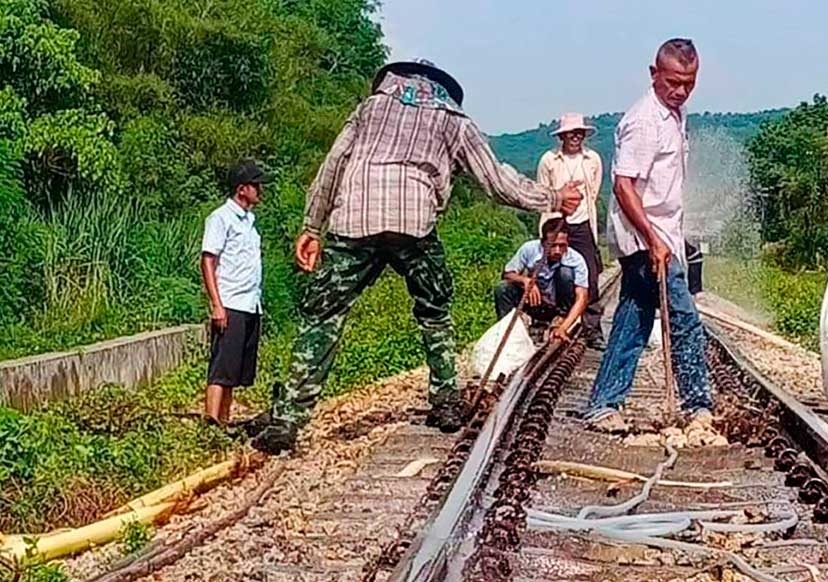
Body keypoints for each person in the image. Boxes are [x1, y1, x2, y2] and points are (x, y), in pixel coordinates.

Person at [248, 59, 583, 454]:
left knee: (324, 315)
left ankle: (287, 420)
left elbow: (333, 165)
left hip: (354, 218)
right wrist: (553, 198)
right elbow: (496, 181)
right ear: (442, 87)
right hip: (415, 223)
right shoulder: (454, 119)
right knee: (434, 311)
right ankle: (445, 402)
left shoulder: (370, 108)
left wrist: (311, 226)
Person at [585, 39, 713, 433]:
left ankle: (603, 403)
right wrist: (653, 240)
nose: (681, 91)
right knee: (684, 318)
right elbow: (623, 186)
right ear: (654, 74)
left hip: (662, 236)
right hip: (646, 239)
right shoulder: (644, 121)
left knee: (633, 317)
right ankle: (698, 405)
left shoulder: (675, 114)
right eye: (673, 82)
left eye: (689, 83)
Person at [200, 160, 268, 426]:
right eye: (255, 185)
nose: (260, 190)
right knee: (221, 368)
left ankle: (224, 422)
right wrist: (217, 304)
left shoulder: (250, 221)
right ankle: (211, 421)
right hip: (230, 302)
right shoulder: (221, 218)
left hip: (250, 303)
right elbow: (208, 260)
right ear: (242, 189)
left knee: (233, 371)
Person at [537, 114, 606, 349]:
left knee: (590, 274)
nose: (575, 136)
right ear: (562, 136)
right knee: (549, 271)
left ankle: (592, 329)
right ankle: (547, 319)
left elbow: (593, 192)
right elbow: (543, 193)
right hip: (556, 222)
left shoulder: (592, 159)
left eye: (579, 133)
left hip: (582, 223)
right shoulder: (549, 160)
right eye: (571, 133)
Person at [494, 218, 590, 343]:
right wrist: (525, 281)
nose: (557, 251)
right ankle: (508, 332)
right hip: (535, 302)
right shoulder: (529, 249)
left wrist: (563, 328)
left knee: (565, 273)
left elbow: (582, 298)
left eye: (562, 246)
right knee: (503, 288)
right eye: (552, 245)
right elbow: (507, 274)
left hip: (556, 305)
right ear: (543, 243)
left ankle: (560, 319)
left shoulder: (576, 260)